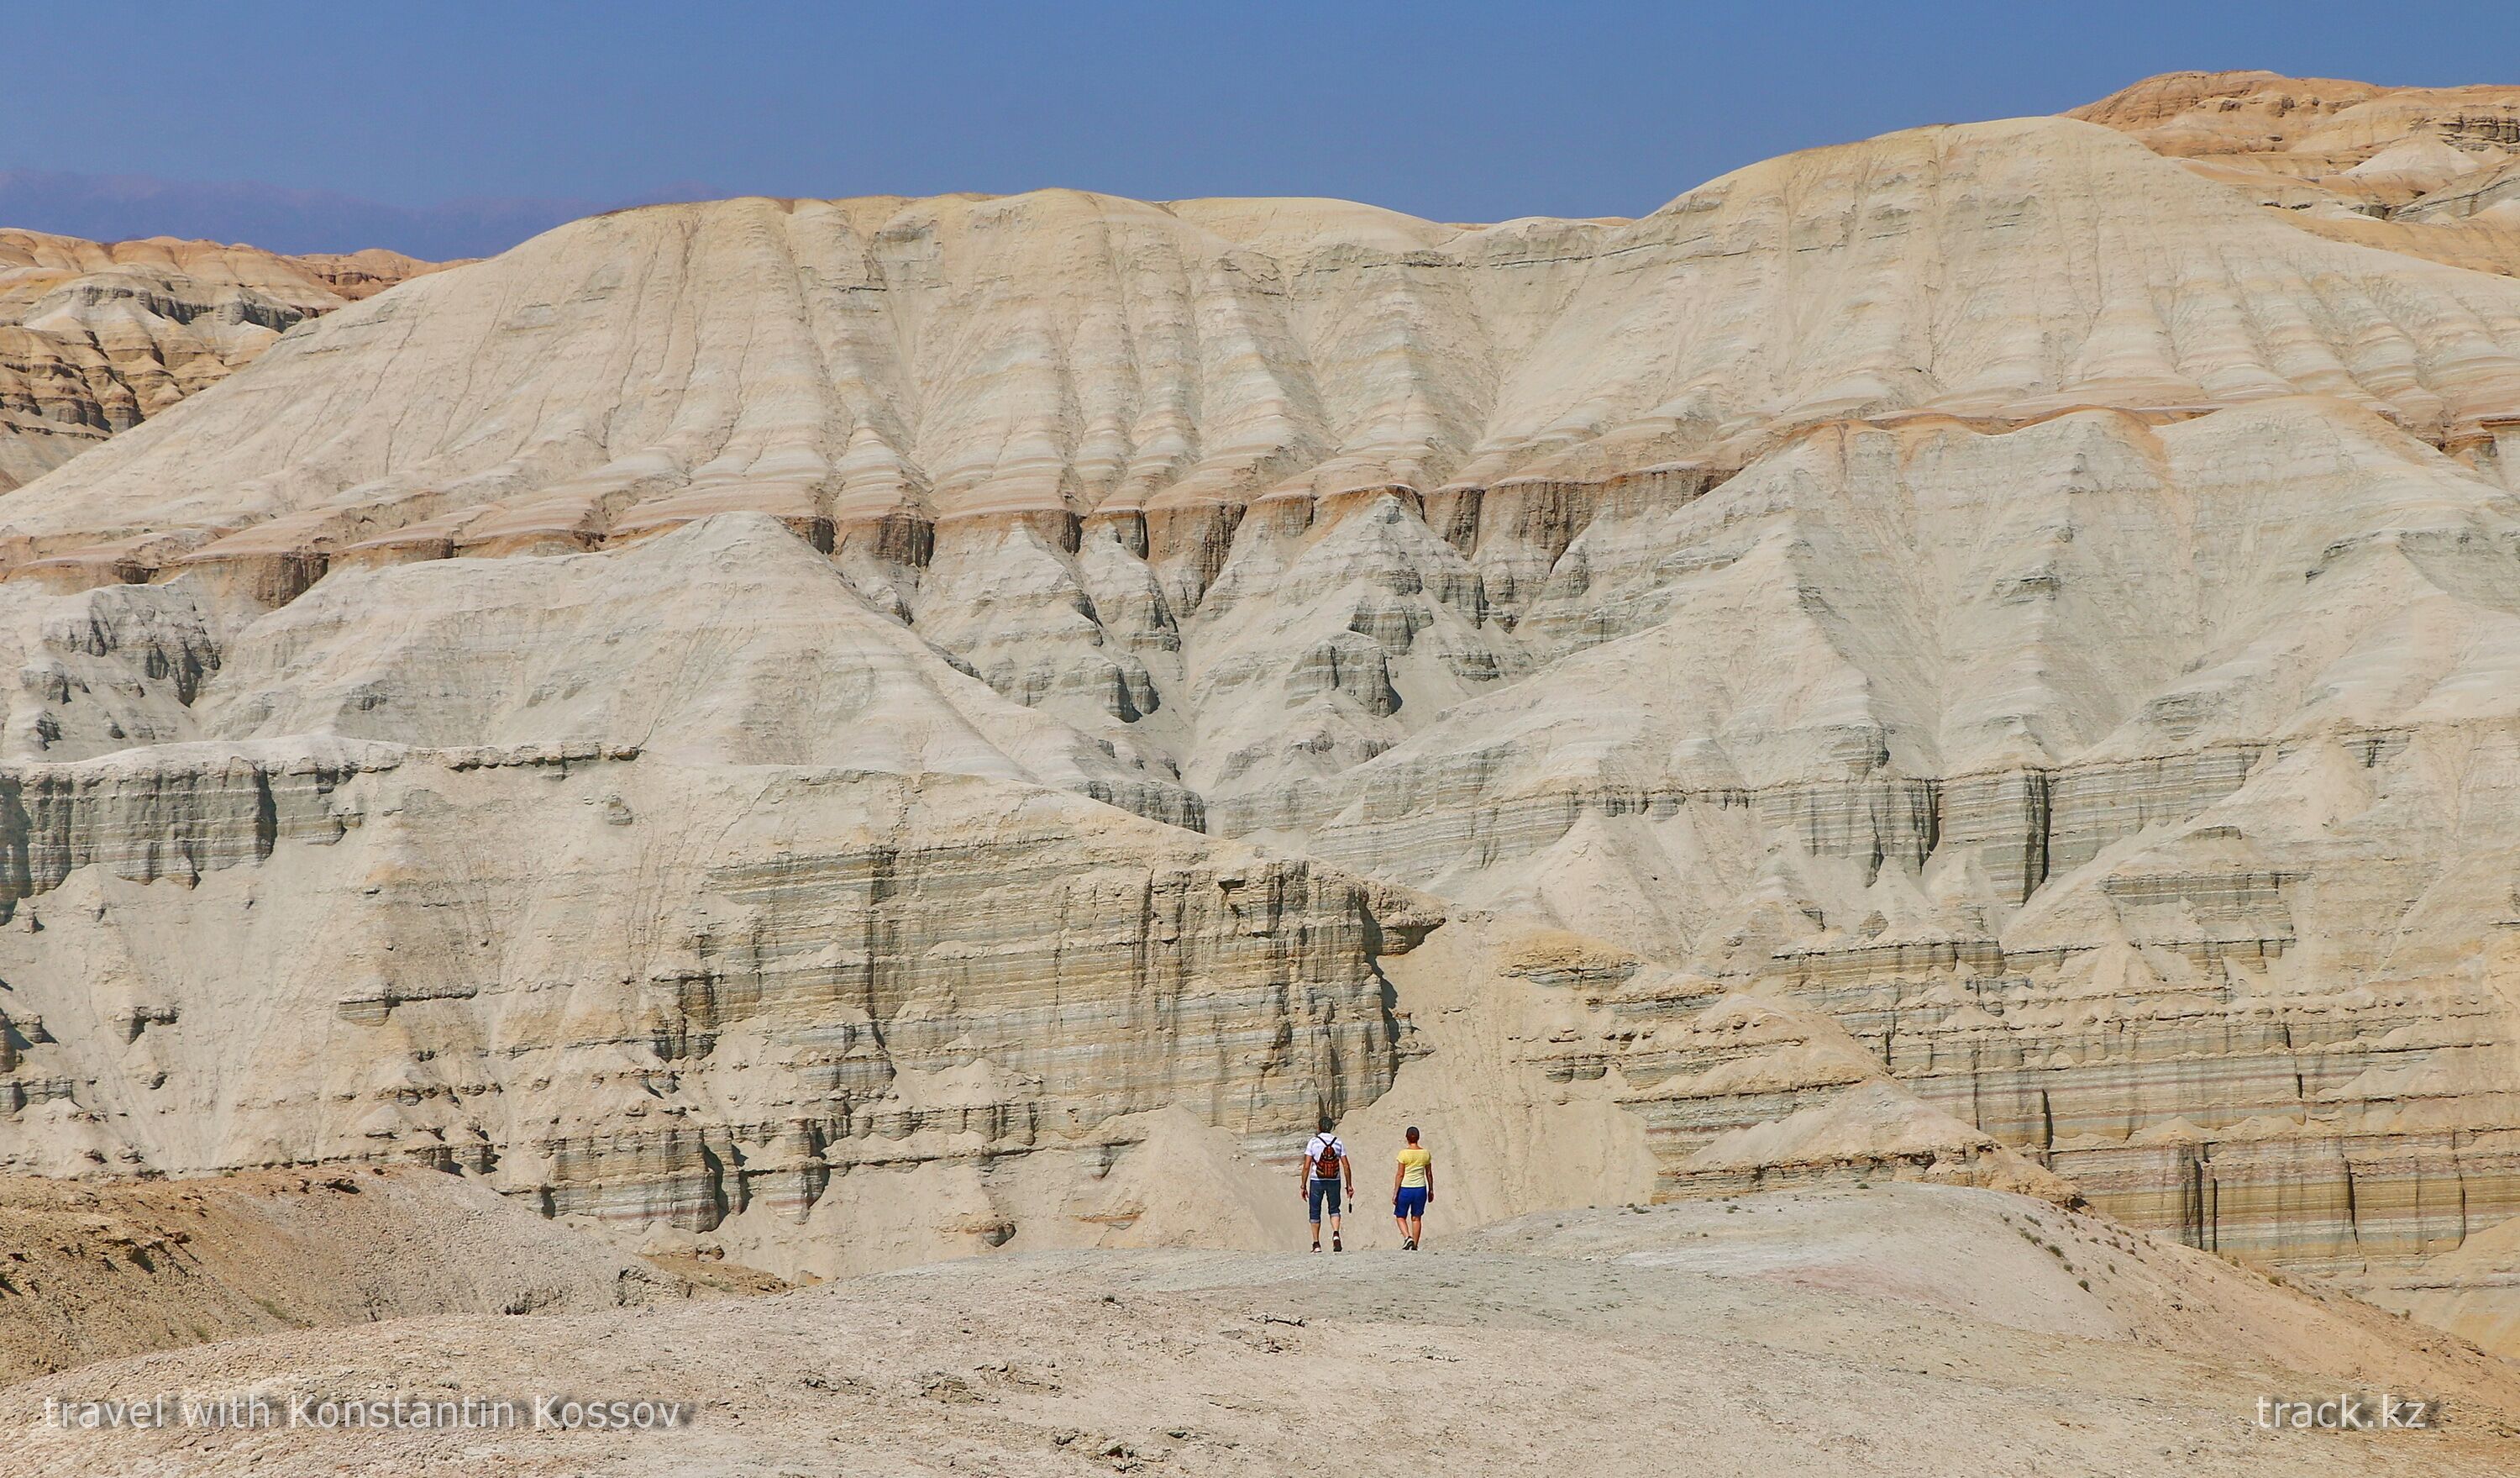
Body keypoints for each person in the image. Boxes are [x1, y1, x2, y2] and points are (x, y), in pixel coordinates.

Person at [1299, 1123, 1353, 1251]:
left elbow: (1307, 1165)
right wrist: (1349, 1185)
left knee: (1315, 1211)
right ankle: (1335, 1234)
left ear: (1319, 1127)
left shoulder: (1313, 1142)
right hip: (1334, 1180)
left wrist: (1303, 1185)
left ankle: (1316, 1244)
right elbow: (1346, 1165)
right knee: (1334, 1208)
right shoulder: (1338, 1142)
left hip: (1316, 1180)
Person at [1393, 1126, 1434, 1249]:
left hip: (1406, 1188)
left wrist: (1395, 1192)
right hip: (1420, 1188)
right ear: (1418, 1138)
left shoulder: (1403, 1154)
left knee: (1400, 1216)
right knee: (1416, 1218)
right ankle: (1415, 1245)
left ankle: (1407, 1237)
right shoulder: (1425, 1153)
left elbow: (1400, 1174)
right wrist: (1431, 1189)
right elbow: (1429, 1173)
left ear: (1406, 1138)